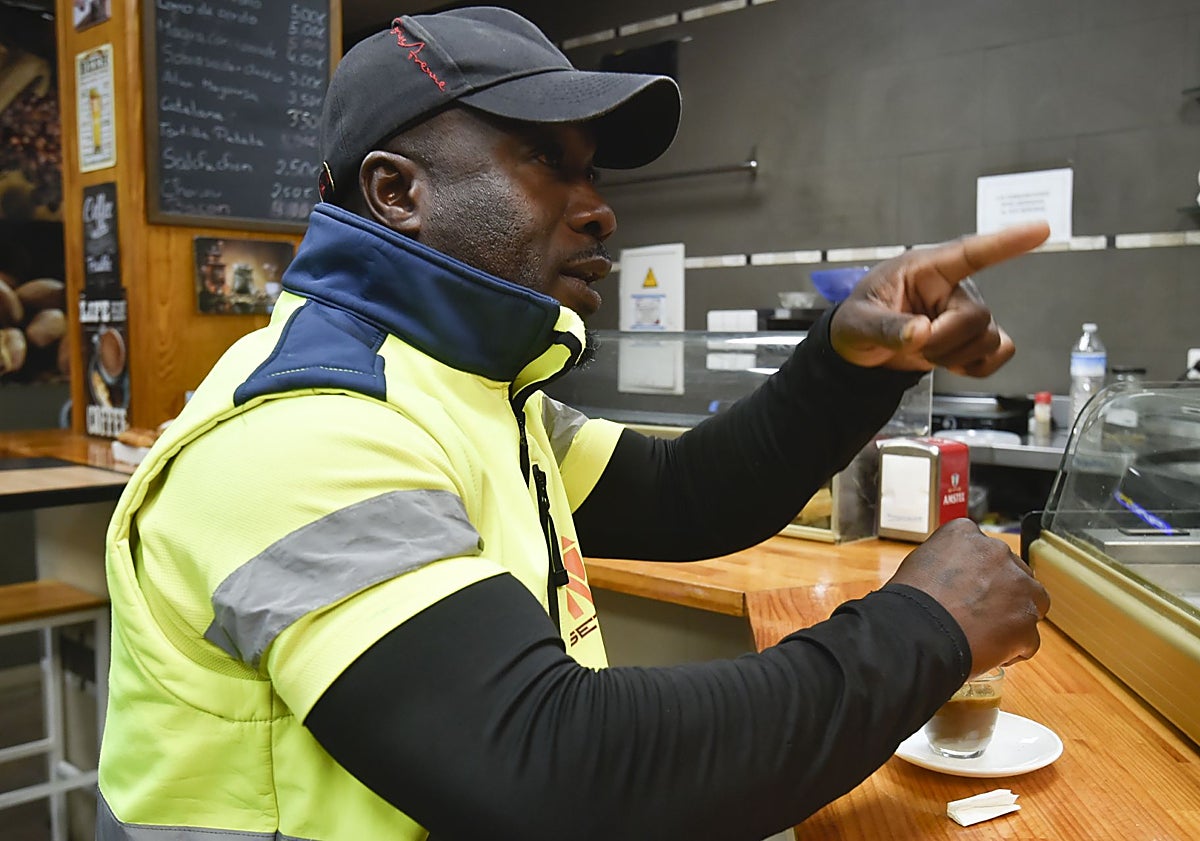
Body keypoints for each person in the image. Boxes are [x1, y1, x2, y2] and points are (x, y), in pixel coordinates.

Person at [97, 7, 1050, 840]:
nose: (600, 213)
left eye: (593, 173)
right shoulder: (309, 427)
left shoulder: (466, 392)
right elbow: (553, 767)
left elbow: (687, 497)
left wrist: (846, 361)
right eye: (547, 161)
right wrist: (926, 628)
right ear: (398, 193)